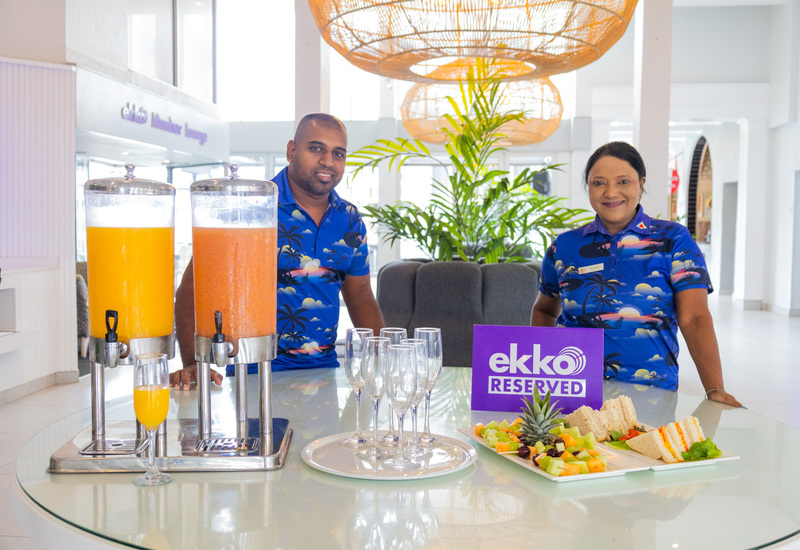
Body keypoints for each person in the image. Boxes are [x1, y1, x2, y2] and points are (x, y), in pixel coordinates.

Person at [170, 113, 385, 389]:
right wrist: (192, 364)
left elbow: (361, 298)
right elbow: (191, 291)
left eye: (338, 153)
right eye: (316, 148)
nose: (328, 162)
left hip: (326, 376)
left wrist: (387, 360)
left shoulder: (350, 220)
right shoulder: (250, 209)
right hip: (254, 380)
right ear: (291, 150)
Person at [530, 141, 741, 407]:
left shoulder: (673, 240)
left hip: (652, 395)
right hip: (573, 393)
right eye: (598, 183)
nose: (611, 192)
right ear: (588, 187)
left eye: (623, 181)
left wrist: (714, 389)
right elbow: (545, 310)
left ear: (641, 184)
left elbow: (695, 316)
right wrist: (540, 372)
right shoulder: (565, 246)